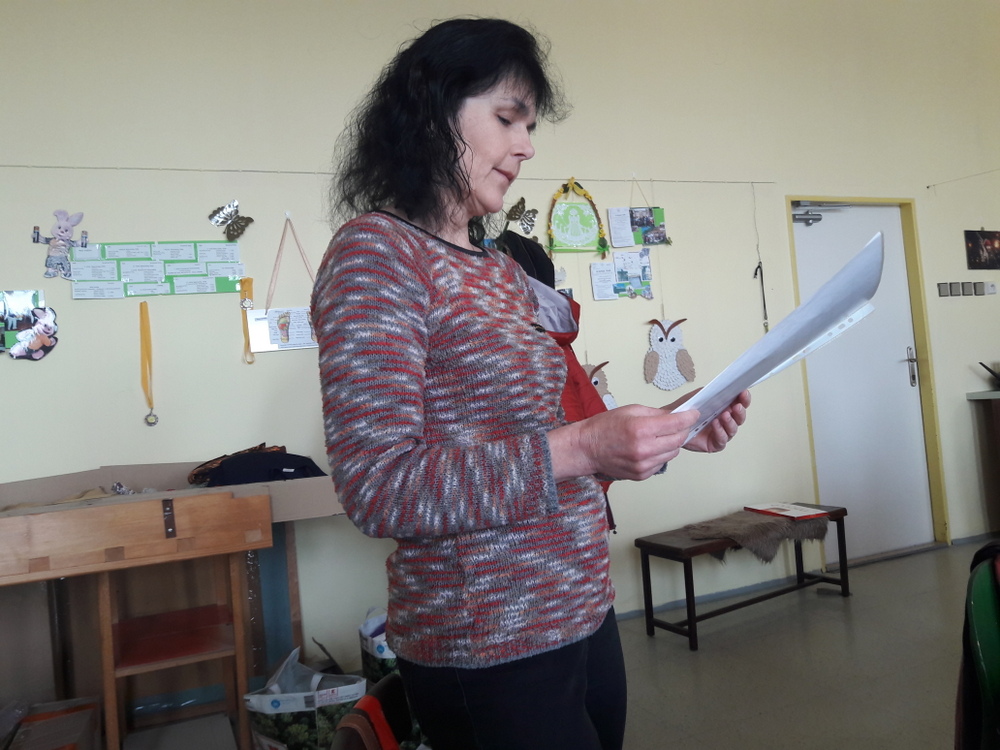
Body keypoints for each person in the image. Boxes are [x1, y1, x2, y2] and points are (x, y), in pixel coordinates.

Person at [311, 17, 749, 750]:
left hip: (583, 607)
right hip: (485, 643)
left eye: (531, 126)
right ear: (431, 111)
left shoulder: (502, 269)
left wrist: (669, 429)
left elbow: (554, 434)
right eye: (507, 118)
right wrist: (584, 448)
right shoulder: (377, 255)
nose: (526, 146)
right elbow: (377, 487)